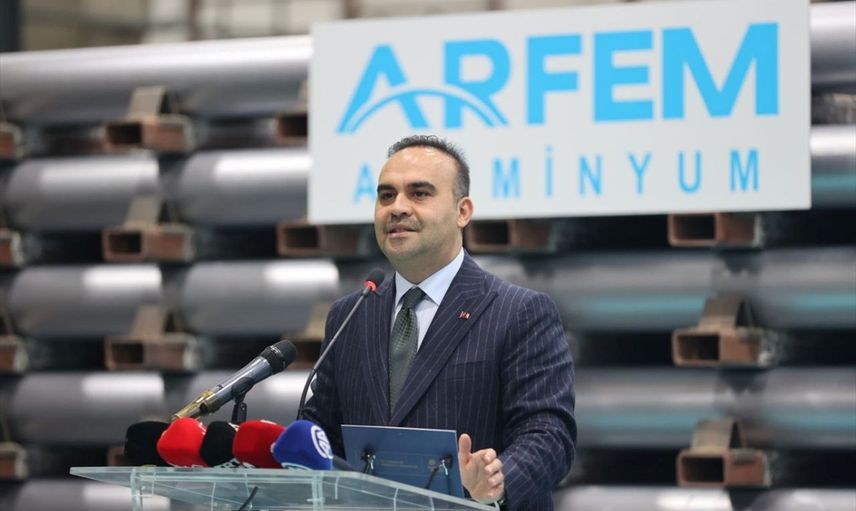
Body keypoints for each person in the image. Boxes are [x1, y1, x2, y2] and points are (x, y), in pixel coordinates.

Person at [303, 135, 576, 510]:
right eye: (386, 196)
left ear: (463, 212)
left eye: (419, 194)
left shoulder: (520, 312)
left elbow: (549, 434)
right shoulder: (349, 315)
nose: (397, 208)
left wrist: (496, 481)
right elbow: (323, 432)